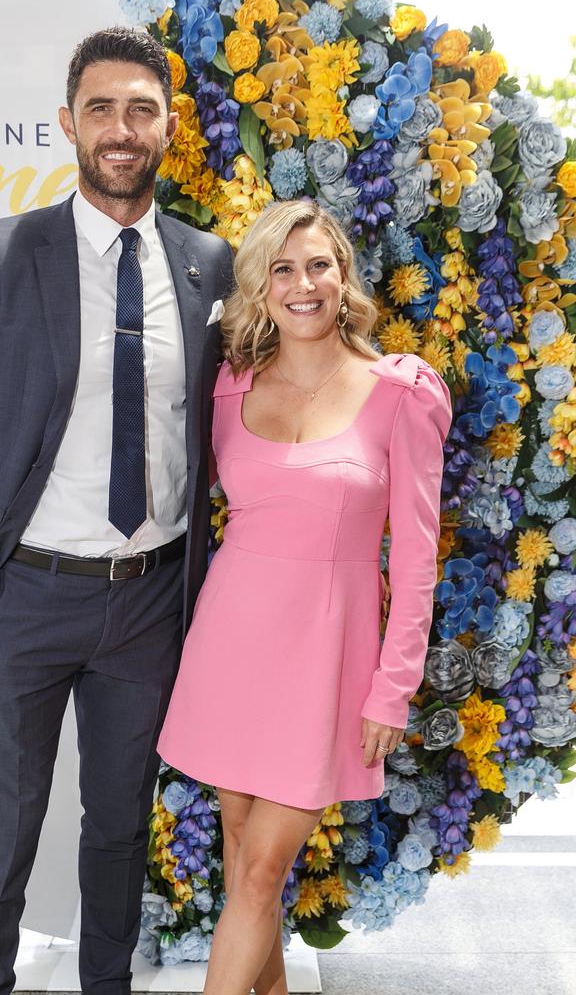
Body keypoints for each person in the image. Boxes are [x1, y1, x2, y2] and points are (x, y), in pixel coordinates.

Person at [0, 27, 233, 995]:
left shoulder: (210, 266)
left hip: (148, 603)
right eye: (101, 109)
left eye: (141, 109)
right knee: (2, 826)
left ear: (168, 128)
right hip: (26, 598)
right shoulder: (2, 254)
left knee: (118, 826)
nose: (121, 128)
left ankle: (108, 986)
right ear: (68, 124)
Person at [157, 199, 452, 995]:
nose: (302, 284)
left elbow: (417, 560)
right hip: (230, 649)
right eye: (282, 269)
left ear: (344, 273)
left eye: (317, 264)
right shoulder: (229, 388)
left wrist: (393, 689)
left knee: (259, 873)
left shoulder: (402, 394)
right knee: (243, 854)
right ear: (260, 287)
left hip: (326, 662)